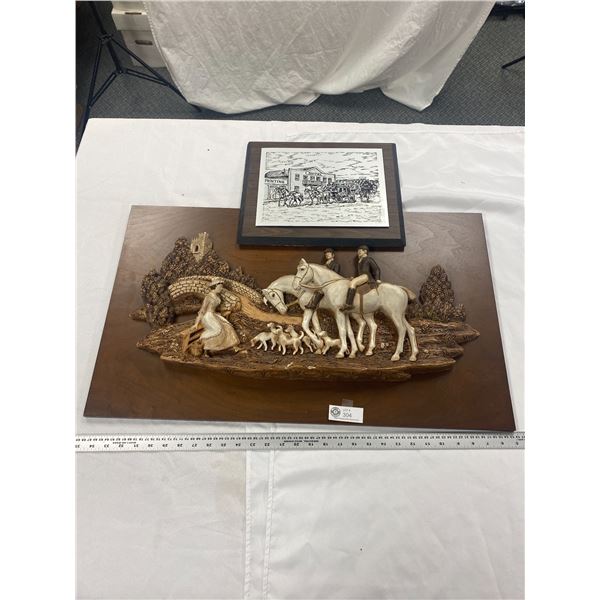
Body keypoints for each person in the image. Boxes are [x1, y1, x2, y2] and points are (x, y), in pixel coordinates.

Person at [192, 279, 240, 354]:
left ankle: (233, 346)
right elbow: (202, 310)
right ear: (215, 287)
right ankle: (206, 347)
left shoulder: (217, 296)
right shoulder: (208, 297)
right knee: (218, 330)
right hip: (207, 317)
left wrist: (228, 309)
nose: (221, 289)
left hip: (214, 314)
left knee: (228, 326)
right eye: (219, 287)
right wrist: (196, 323)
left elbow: (217, 308)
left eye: (221, 287)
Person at [340, 245, 381, 312]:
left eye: (360, 251)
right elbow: (359, 272)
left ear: (365, 251)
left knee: (353, 283)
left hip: (366, 276)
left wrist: (377, 279)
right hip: (362, 276)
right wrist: (354, 277)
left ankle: (349, 304)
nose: (358, 252)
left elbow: (376, 269)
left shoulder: (369, 259)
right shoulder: (360, 261)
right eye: (358, 251)